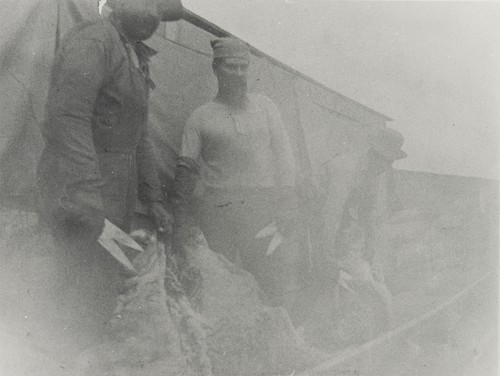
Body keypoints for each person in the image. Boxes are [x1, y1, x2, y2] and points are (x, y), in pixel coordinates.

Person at [37, 0, 181, 342]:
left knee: (101, 289)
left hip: (115, 193)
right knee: (76, 291)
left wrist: (153, 198)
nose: (152, 17)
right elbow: (68, 119)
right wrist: (85, 192)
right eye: (146, 5)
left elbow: (139, 135)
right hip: (79, 188)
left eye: (159, 11)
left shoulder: (134, 54)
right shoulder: (95, 42)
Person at [169, 37, 299, 308]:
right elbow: (186, 168)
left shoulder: (266, 107)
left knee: (269, 279)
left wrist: (286, 200)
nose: (239, 74)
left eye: (243, 68)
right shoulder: (201, 117)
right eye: (232, 67)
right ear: (216, 68)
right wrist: (178, 218)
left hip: (261, 208)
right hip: (219, 209)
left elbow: (285, 154)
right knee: (220, 282)